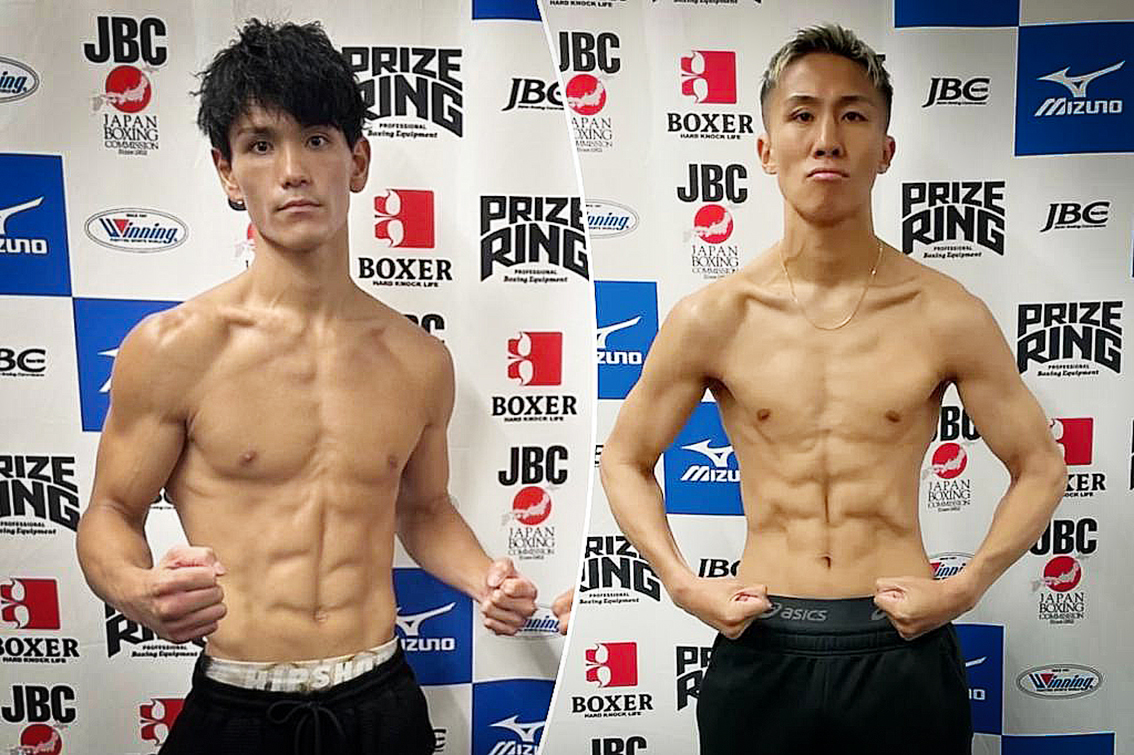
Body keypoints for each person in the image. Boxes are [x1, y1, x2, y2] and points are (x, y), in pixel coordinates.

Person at [599, 24, 1066, 754]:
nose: (826, 140)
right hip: (763, 645)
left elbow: (1040, 464)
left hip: (900, 649)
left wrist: (967, 585)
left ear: (885, 150)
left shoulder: (945, 313)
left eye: (852, 115)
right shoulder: (714, 317)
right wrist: (683, 583)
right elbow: (624, 458)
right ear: (765, 149)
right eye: (801, 114)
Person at [76, 19, 537, 755]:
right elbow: (110, 511)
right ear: (229, 173)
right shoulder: (174, 348)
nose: (293, 170)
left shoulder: (420, 360)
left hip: (381, 700)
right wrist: (136, 589)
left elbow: (424, 508)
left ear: (357, 161)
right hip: (237, 705)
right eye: (261, 145)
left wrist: (486, 577)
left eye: (317, 139)